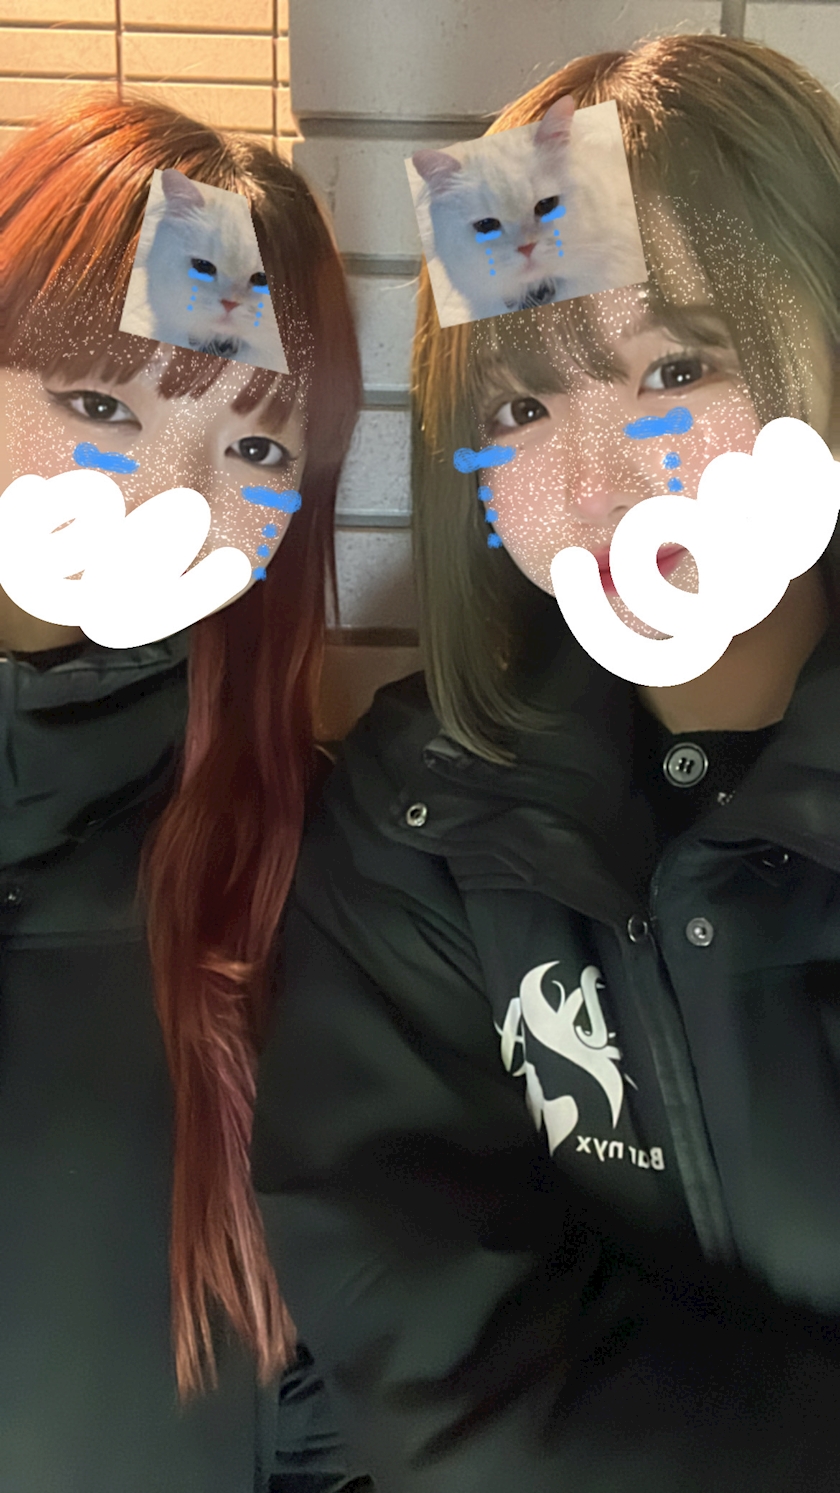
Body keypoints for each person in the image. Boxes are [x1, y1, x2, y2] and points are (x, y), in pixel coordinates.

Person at [253, 33, 840, 1492]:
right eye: (517, 407)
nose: (592, 481)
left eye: (675, 365)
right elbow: (428, 1334)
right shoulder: (413, 807)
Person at [0, 94, 372, 1492]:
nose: (167, 499)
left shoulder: (318, 878)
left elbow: (341, 1407)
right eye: (101, 403)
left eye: (255, 447)